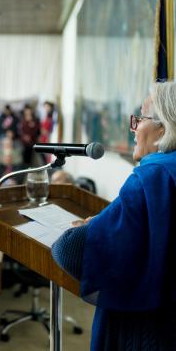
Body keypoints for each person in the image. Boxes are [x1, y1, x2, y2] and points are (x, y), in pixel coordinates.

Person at [51, 81, 176, 351]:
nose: (133, 128)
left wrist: (90, 227)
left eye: (139, 118)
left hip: (147, 330)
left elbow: (71, 251)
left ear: (162, 128)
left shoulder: (151, 178)